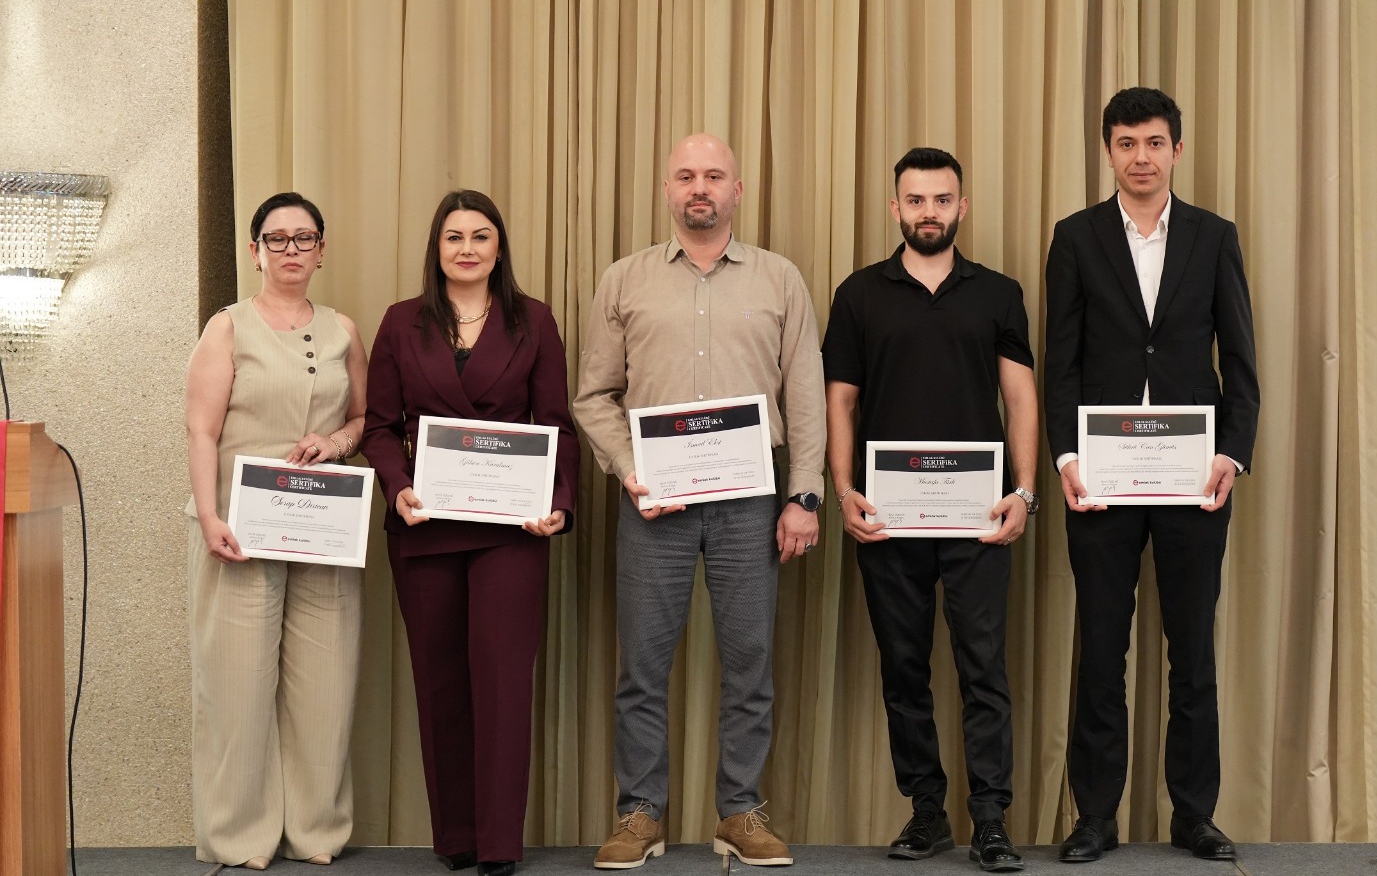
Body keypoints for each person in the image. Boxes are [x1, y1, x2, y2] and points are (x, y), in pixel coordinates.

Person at [573, 133, 825, 870]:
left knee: (750, 660)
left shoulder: (780, 279)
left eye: (714, 175)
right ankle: (640, 813)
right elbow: (593, 396)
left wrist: (804, 495)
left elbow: (806, 397)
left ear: (737, 190)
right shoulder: (625, 280)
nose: (699, 187)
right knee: (643, 664)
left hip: (752, 502)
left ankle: (740, 810)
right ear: (667, 190)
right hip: (656, 503)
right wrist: (630, 471)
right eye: (685, 176)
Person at [1042, 87, 1260, 863]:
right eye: (1127, 143)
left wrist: (1232, 451)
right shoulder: (1075, 238)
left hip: (1194, 479)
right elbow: (1060, 360)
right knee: (1102, 650)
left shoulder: (1213, 236)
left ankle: (1194, 814)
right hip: (1099, 479)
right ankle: (1095, 816)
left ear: (1176, 150)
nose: (1141, 157)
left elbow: (1240, 357)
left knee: (1192, 653)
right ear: (1109, 151)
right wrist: (1065, 456)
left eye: (1155, 142)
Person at [822, 147, 1037, 873]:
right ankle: (927, 812)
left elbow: (1020, 399)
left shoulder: (999, 293)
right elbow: (840, 402)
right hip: (888, 518)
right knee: (903, 667)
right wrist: (844, 490)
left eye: (942, 199)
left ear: (961, 207)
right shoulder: (859, 294)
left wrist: (1025, 491)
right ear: (896, 208)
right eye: (915, 200)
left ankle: (991, 820)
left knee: (984, 669)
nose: (929, 212)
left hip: (981, 518)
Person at [362, 190, 579, 876]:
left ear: (498, 247)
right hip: (425, 523)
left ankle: (498, 844)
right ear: (436, 247)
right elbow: (378, 427)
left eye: (480, 236)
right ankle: (455, 836)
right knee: (440, 683)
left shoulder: (534, 320)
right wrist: (397, 486)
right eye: (453, 236)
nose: (466, 248)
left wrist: (558, 502)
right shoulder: (400, 322)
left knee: (504, 682)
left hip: (511, 528)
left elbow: (557, 426)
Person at [184, 192, 368, 869]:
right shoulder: (227, 328)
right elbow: (201, 430)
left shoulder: (344, 330)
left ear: (322, 250)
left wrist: (335, 443)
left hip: (324, 527)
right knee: (236, 688)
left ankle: (317, 831)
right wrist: (209, 516)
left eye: (304, 237)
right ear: (255, 250)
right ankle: (239, 837)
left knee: (326, 687)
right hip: (239, 532)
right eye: (277, 238)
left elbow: (365, 420)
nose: (292, 249)